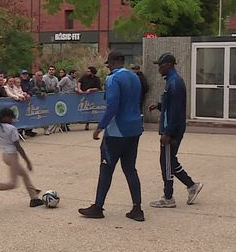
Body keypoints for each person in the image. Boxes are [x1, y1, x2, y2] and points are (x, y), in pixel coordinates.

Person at [78, 51, 144, 222]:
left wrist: (100, 127)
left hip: (117, 131)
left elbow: (112, 106)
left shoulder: (113, 79)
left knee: (106, 168)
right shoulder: (135, 77)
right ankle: (137, 208)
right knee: (130, 169)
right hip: (134, 128)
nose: (108, 67)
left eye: (108, 64)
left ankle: (98, 206)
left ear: (113, 62)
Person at [149, 52, 203, 208]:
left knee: (166, 162)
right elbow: (171, 106)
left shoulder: (175, 83)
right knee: (170, 160)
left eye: (160, 65)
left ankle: (168, 197)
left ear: (169, 65)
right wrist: (159, 106)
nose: (159, 68)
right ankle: (191, 185)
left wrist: (167, 132)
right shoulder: (171, 81)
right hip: (172, 128)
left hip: (172, 130)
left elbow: (176, 111)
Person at [78, 66, 101, 130]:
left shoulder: (96, 79)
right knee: (84, 109)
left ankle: (95, 123)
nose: (87, 72)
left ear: (92, 72)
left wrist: (90, 89)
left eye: (88, 71)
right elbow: (79, 82)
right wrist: (79, 89)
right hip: (83, 96)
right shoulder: (84, 77)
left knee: (92, 110)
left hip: (93, 96)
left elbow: (97, 88)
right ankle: (85, 122)